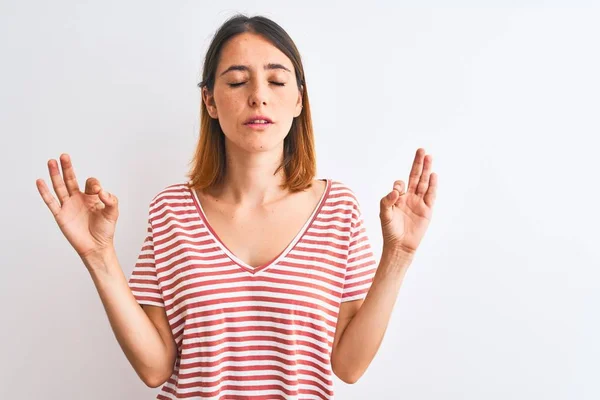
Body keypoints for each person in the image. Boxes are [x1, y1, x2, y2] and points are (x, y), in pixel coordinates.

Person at [36, 13, 437, 400]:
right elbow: (155, 369)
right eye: (238, 81)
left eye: (277, 80)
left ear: (299, 100)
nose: (259, 95)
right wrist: (99, 255)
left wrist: (399, 255)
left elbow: (349, 366)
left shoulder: (337, 209)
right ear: (210, 101)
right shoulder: (171, 211)